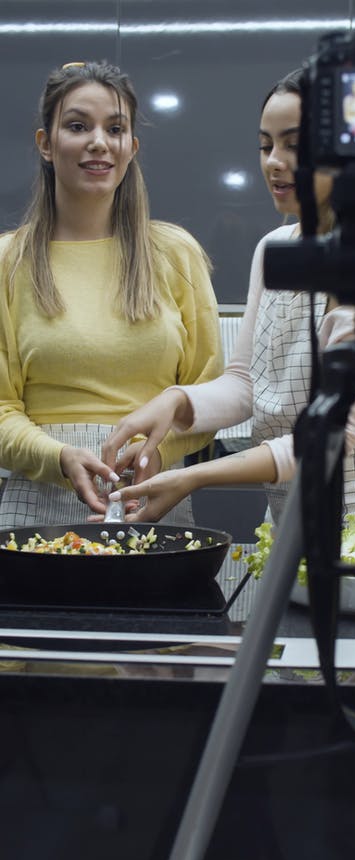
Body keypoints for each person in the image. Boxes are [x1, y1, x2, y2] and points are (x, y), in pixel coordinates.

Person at [95, 69, 355, 527]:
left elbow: (342, 433)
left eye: (294, 145)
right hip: (288, 519)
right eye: (266, 146)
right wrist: (176, 402)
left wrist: (194, 476)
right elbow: (246, 384)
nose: (274, 162)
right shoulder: (273, 249)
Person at [0, 60, 223, 529]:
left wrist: (156, 455)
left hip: (152, 498)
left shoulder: (175, 253)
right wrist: (58, 457)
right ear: (45, 143)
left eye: (115, 128)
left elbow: (210, 393)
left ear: (131, 148)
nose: (98, 142)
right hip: (34, 503)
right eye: (78, 126)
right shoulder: (8, 261)